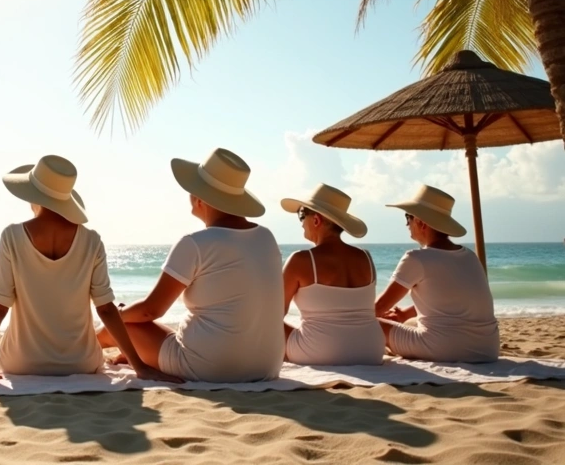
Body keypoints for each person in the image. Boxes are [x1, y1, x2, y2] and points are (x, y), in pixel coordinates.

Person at [0, 155, 178, 382]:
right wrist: (139, 367)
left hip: (22, 363)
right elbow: (106, 309)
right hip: (81, 362)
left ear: (33, 196)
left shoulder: (12, 236)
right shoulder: (91, 240)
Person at [98, 148, 284, 382]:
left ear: (200, 197)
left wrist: (117, 314)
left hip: (211, 366)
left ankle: (82, 348)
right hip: (266, 367)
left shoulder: (195, 243)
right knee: (131, 320)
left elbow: (150, 310)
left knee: (120, 326)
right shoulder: (266, 237)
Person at [375, 185, 499, 363]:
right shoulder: (469, 256)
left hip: (444, 349)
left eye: (408, 218)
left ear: (421, 222)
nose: (407, 224)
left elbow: (379, 307)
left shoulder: (416, 258)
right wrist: (404, 315)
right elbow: (449, 300)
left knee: (372, 325)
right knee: (408, 324)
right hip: (487, 349)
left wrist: (345, 318)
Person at [280, 184, 384, 366]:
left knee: (261, 317)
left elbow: (275, 312)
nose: (301, 222)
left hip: (320, 353)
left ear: (317, 220)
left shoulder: (302, 260)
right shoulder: (365, 257)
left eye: (302, 215)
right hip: (372, 351)